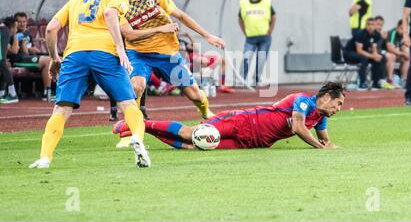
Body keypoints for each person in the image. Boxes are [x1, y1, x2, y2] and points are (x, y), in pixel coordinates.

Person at [28, 0, 179, 169]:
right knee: (128, 105)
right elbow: (110, 14)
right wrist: (119, 47)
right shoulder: (118, 0)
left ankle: (45, 158)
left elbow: (51, 28)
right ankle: (137, 138)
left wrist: (55, 58)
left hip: (74, 55)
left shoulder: (75, 1)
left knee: (61, 109)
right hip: (105, 54)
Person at [116, 0, 225, 147]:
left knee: (195, 95)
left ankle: (206, 112)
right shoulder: (116, 3)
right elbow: (129, 34)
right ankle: (131, 133)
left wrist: (207, 35)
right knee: (137, 86)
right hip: (138, 53)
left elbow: (181, 16)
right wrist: (162, 28)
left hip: (167, 52)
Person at [113, 82, 344, 150]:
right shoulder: (303, 100)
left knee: (196, 146)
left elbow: (324, 139)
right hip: (242, 121)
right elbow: (298, 128)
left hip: (253, 143)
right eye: (339, 102)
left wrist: (328, 145)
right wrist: (319, 148)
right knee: (191, 133)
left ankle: (143, 129)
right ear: (326, 97)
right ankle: (139, 123)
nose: (339, 108)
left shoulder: (320, 117)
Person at [239, 0, 276, 86]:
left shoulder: (266, 3)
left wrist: (270, 29)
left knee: (261, 59)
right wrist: (244, 30)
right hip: (250, 38)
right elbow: (240, 18)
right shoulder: (244, 3)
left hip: (265, 37)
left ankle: (256, 80)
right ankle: (242, 80)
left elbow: (274, 17)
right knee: (247, 58)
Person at [11, 12, 53, 101]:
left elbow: (31, 47)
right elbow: (22, 52)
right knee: (47, 60)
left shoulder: (27, 34)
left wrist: (34, 50)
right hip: (20, 60)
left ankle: (50, 91)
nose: (22, 24)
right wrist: (27, 49)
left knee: (56, 59)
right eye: (19, 22)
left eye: (24, 21)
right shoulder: (14, 35)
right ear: (15, 23)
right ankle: (47, 93)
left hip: (29, 58)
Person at [343, 18, 393, 90]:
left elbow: (374, 47)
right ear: (365, 25)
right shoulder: (360, 34)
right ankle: (362, 83)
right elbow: (359, 51)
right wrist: (372, 56)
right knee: (364, 59)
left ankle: (376, 82)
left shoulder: (376, 34)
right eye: (368, 24)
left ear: (374, 25)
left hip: (360, 54)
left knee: (380, 58)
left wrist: (375, 55)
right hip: (349, 53)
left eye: (372, 24)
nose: (370, 26)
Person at [386, 20, 410, 88]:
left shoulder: (403, 35)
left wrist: (404, 49)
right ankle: (390, 80)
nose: (403, 31)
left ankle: (403, 80)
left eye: (405, 29)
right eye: (401, 28)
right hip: (385, 53)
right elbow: (390, 48)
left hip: (396, 54)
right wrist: (402, 53)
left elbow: (407, 45)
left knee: (407, 56)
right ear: (397, 27)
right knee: (392, 56)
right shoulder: (392, 33)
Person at [0, 17, 18, 104]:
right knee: (2, 64)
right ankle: (2, 93)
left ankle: (12, 94)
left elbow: (13, 50)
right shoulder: (5, 31)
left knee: (2, 63)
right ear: (12, 27)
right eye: (16, 27)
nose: (16, 30)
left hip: (3, 31)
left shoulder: (4, 31)